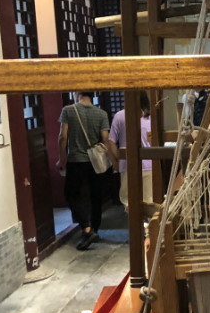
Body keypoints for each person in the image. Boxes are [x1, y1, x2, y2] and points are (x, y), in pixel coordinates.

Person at [57, 92, 110, 250]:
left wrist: (62, 159)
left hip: (76, 161)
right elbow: (105, 138)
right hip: (95, 163)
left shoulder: (68, 110)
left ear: (78, 93)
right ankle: (95, 230)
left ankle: (87, 229)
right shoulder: (101, 114)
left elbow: (62, 137)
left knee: (71, 195)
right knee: (96, 196)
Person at [107, 91, 154, 209]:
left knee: (128, 200)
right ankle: (147, 221)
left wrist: (118, 159)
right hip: (148, 164)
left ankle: (134, 220)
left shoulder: (119, 116)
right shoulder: (149, 117)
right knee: (149, 199)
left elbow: (111, 141)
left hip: (128, 164)